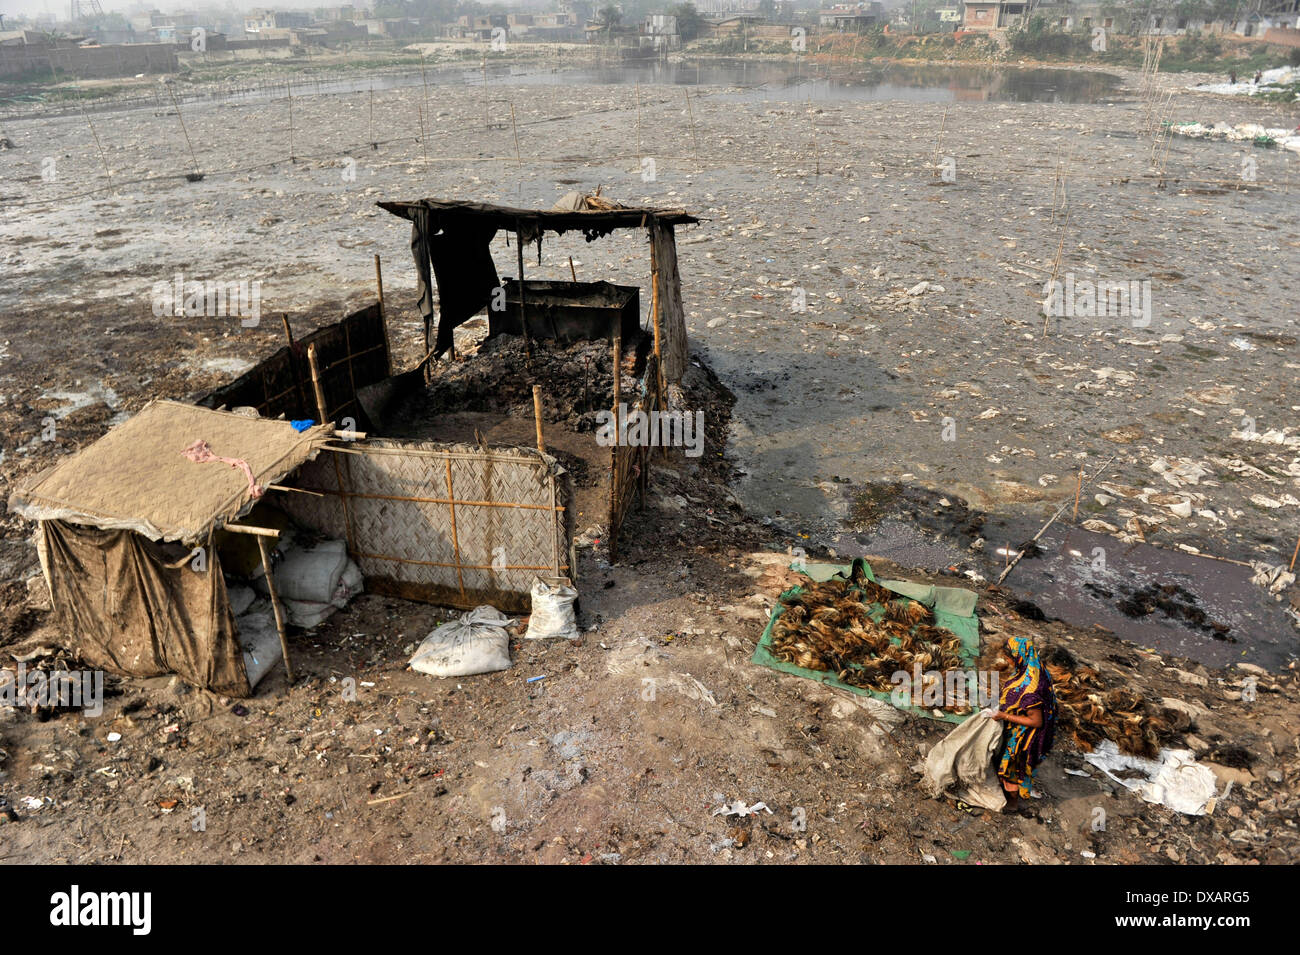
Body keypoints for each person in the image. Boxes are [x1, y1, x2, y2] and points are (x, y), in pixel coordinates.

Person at [990, 635, 1057, 813]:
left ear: (1018, 656)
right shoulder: (1032, 667)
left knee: (1012, 766)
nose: (1007, 661)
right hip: (1025, 725)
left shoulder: (1032, 689)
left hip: (1026, 737)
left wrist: (1004, 715)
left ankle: (1013, 802)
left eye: (1009, 658)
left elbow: (1036, 721)